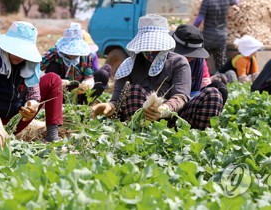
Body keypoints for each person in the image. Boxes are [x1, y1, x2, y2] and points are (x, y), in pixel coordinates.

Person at [92, 14, 223, 130]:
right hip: (139, 117)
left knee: (213, 94)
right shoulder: (129, 64)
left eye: (157, 47)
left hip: (174, 117)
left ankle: (195, 138)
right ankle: (139, 137)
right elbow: (118, 99)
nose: (152, 51)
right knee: (134, 91)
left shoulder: (178, 62)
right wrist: (109, 106)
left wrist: (163, 110)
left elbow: (181, 96)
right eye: (148, 47)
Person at [41, 23, 111, 104]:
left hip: (79, 90)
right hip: (59, 90)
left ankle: (84, 104)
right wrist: (56, 81)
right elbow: (37, 69)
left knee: (103, 74)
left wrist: (88, 83)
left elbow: (89, 75)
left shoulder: (85, 56)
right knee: (53, 66)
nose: (73, 55)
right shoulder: (55, 53)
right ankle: (56, 103)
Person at [171, 24, 228, 105]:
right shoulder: (168, 58)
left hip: (188, 100)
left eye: (193, 54)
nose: (191, 57)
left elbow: (196, 90)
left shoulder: (198, 60)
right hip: (169, 101)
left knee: (219, 88)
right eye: (187, 54)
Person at [193, 0, 239, 70]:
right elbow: (236, 1)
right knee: (221, 63)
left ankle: (202, 78)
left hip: (208, 37)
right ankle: (222, 82)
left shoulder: (206, 2)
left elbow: (199, 19)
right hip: (221, 37)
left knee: (202, 60)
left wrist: (192, 28)